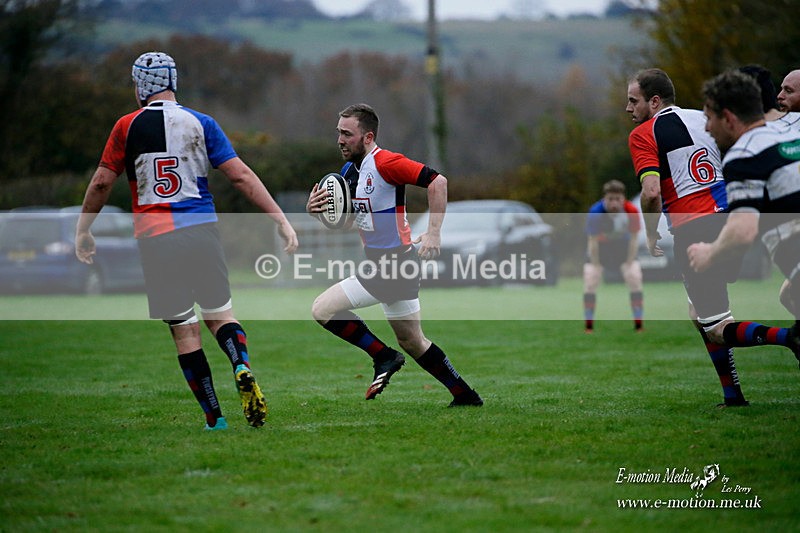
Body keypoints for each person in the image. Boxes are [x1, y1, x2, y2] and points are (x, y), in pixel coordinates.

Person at [75, 51, 299, 430]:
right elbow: (241, 176)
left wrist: (83, 230)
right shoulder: (201, 122)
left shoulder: (126, 127)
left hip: (156, 239)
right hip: (201, 232)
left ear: (140, 86)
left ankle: (215, 418)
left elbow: (100, 182)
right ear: (173, 82)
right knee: (220, 315)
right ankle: (240, 363)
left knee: (184, 327)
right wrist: (280, 220)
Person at [305, 103, 482, 407]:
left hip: (394, 266)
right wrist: (318, 213)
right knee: (413, 341)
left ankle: (383, 356)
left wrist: (435, 232)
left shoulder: (385, 163)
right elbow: (352, 222)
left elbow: (437, 181)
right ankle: (465, 395)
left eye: (347, 134)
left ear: (368, 136)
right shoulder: (350, 172)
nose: (340, 140)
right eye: (339, 133)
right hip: (390, 264)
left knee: (322, 309)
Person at [625, 68, 748, 407]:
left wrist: (651, 232)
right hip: (733, 219)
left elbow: (650, 193)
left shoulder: (643, 134)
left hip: (694, 229)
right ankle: (732, 395)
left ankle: (787, 338)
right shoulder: (704, 118)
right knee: (701, 313)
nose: (628, 109)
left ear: (654, 101)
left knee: (713, 322)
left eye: (633, 101)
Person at [686, 69, 799, 366]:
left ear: (728, 118)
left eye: (708, 118)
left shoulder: (744, 155)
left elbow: (742, 231)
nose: (707, 128)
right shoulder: (793, 127)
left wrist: (709, 253)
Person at [582, 179, 644, 333]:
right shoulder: (595, 212)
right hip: (601, 249)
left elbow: (634, 238)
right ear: (604, 198)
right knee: (590, 279)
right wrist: (596, 263)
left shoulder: (631, 211)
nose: (614, 203)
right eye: (610, 199)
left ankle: (638, 325)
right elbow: (592, 241)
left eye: (618, 199)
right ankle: (589, 326)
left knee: (634, 276)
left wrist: (629, 261)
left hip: (623, 248)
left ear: (623, 198)